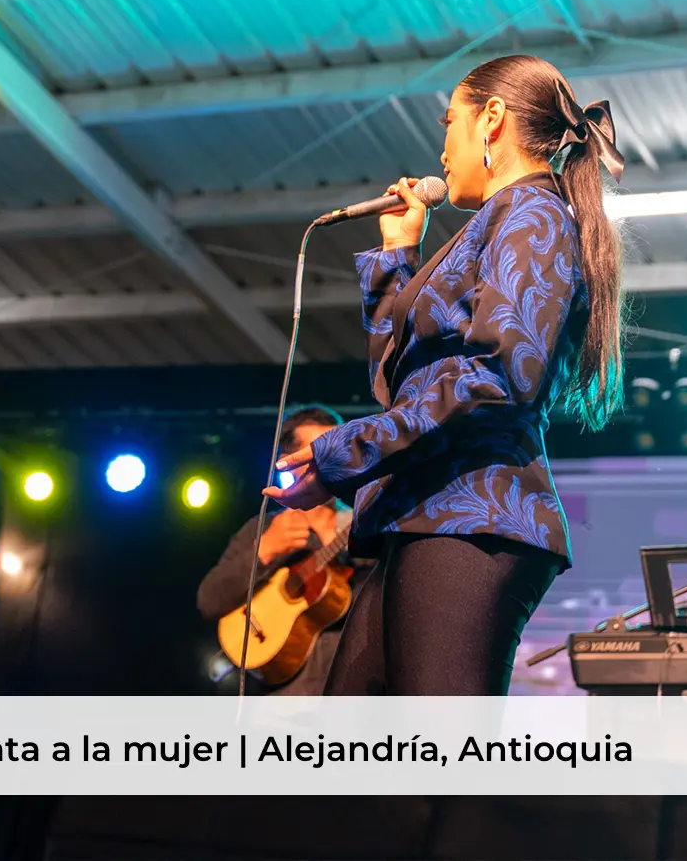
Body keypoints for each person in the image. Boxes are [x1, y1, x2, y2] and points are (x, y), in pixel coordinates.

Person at [262, 54, 627, 696]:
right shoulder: (493, 224)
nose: (442, 144)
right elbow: (400, 381)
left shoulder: (534, 215)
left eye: (448, 119)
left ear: (492, 118)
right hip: (425, 513)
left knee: (441, 771)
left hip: (474, 517)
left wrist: (346, 451)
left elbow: (499, 375)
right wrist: (396, 258)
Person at [197, 406, 369, 696]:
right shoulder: (263, 527)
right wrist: (265, 550)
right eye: (316, 454)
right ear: (287, 463)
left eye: (335, 452)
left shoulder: (364, 521)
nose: (329, 463)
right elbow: (209, 600)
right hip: (279, 706)